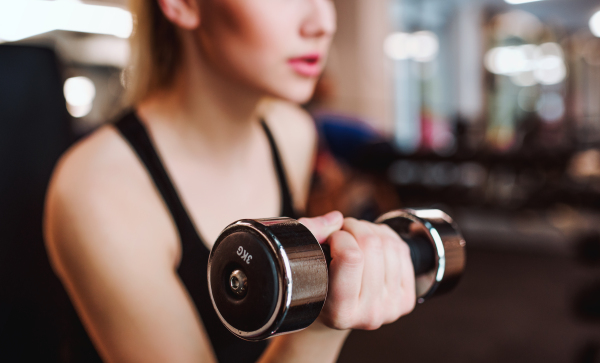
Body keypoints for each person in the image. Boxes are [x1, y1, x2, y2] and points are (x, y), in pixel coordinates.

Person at [43, 0, 416, 362]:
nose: (323, 22)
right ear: (184, 4)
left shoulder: (292, 133)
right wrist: (319, 319)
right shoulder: (99, 187)